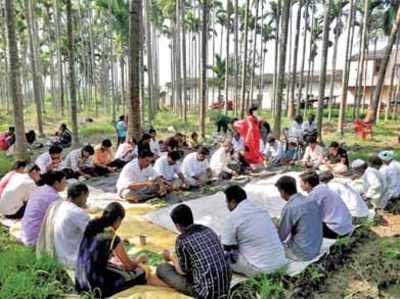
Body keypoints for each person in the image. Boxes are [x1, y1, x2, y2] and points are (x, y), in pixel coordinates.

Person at [75, 202, 152, 298]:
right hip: (95, 287)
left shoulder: (91, 225)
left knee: (115, 266)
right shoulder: (111, 236)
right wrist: (139, 259)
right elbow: (129, 266)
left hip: (80, 281)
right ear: (118, 220)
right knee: (139, 273)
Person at [157, 204, 231, 298]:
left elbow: (183, 271)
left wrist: (171, 257)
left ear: (177, 225)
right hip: (225, 285)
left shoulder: (182, 240)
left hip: (206, 293)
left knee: (162, 268)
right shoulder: (207, 229)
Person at [222, 185, 287, 276]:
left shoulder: (232, 218)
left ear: (232, 201)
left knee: (224, 254)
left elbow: (228, 248)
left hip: (261, 270)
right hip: (282, 263)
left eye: (227, 203)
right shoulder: (262, 211)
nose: (227, 206)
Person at [36, 183, 90, 269]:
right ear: (82, 194)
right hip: (71, 259)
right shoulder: (77, 212)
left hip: (57, 254)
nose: (86, 201)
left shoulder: (57, 205)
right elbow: (95, 233)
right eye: (86, 197)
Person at [275, 176, 323, 261]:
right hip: (316, 248)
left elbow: (281, 236)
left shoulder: (289, 208)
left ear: (282, 192)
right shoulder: (310, 200)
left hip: (302, 253)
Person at [300, 171, 353, 239]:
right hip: (347, 226)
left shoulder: (314, 195)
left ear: (307, 183)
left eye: (301, 183)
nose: (300, 185)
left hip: (337, 230)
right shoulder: (324, 188)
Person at [21, 171, 67, 246]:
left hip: (25, 231)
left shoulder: (40, 189)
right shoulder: (54, 197)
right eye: (64, 182)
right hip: (35, 237)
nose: (66, 184)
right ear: (56, 183)